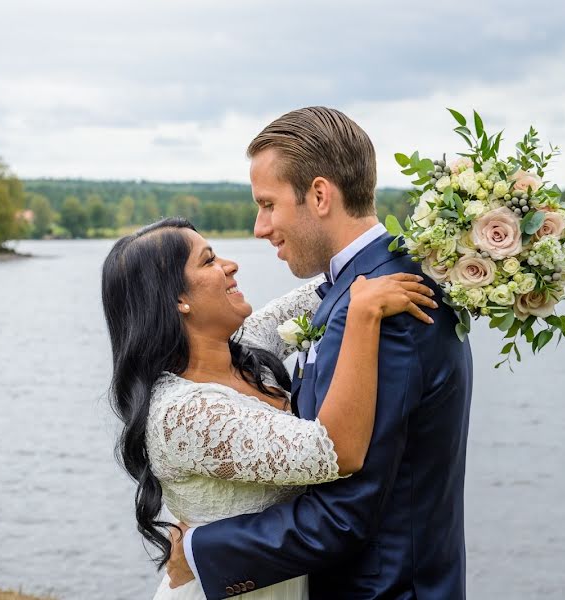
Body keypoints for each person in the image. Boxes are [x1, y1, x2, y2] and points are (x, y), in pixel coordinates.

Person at [165, 107, 473, 599]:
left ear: (320, 195)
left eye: (268, 204)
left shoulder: (388, 312)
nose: (259, 228)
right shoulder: (361, 288)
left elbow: (345, 515)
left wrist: (201, 549)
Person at [102, 212, 439, 600]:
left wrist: (456, 232)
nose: (231, 265)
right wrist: (363, 315)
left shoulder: (245, 349)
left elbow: (334, 282)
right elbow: (336, 451)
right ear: (178, 299)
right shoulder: (184, 414)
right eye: (209, 261)